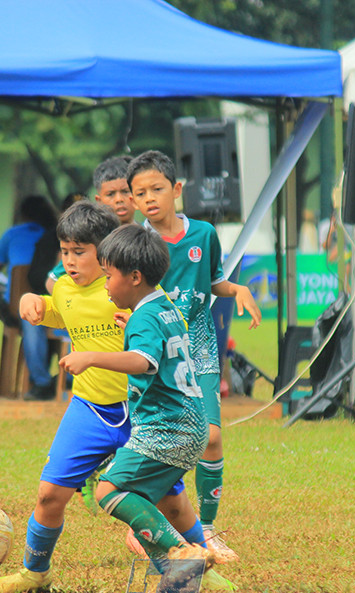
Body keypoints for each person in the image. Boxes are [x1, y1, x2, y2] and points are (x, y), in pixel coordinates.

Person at [0, 202, 233, 593]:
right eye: (64, 251)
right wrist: (35, 302)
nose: (69, 261)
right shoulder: (65, 288)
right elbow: (59, 312)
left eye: (79, 252)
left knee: (171, 501)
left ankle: (198, 569)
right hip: (89, 410)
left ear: (106, 254)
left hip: (142, 414)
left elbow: (170, 327)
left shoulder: (128, 291)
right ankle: (35, 572)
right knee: (49, 494)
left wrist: (127, 328)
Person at [127, 150, 261, 563]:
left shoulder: (203, 234)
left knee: (211, 437)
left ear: (177, 189)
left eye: (157, 189)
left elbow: (215, 281)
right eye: (140, 194)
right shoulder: (137, 242)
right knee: (161, 440)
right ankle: (145, 521)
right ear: (132, 201)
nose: (149, 198)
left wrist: (237, 289)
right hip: (158, 351)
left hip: (199, 349)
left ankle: (207, 529)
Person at [57, 224, 216, 571]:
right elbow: (163, 339)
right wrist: (131, 325)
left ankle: (182, 550)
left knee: (107, 492)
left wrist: (91, 357)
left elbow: (143, 361)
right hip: (189, 424)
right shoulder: (164, 306)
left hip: (166, 428)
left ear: (134, 277)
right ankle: (180, 576)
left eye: (108, 276)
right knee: (143, 500)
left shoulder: (143, 318)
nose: (105, 284)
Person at [0, 195, 59, 400]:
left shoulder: (12, 234)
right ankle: (46, 380)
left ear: (22, 214)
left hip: (20, 305)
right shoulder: (52, 236)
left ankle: (12, 322)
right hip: (50, 301)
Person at [44, 155, 137, 294]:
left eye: (125, 191)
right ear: (99, 200)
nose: (119, 199)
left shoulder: (146, 236)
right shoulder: (94, 236)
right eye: (111, 194)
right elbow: (52, 282)